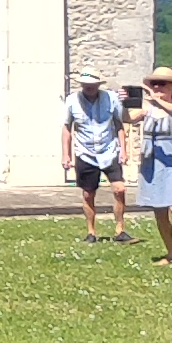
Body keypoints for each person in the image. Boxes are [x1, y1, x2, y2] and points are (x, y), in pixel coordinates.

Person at [125, 66, 172, 270]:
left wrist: (156, 100)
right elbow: (127, 118)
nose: (157, 87)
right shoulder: (148, 110)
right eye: (154, 84)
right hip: (152, 163)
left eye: (162, 84)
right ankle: (171, 253)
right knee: (160, 211)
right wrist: (122, 103)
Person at [60, 68, 127, 241]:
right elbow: (67, 128)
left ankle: (120, 229)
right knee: (88, 194)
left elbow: (119, 124)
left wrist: (123, 150)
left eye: (91, 84)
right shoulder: (72, 101)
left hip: (109, 150)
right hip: (85, 152)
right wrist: (66, 155)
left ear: (98, 84)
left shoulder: (111, 98)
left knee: (120, 189)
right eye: (85, 84)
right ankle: (91, 232)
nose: (88, 87)